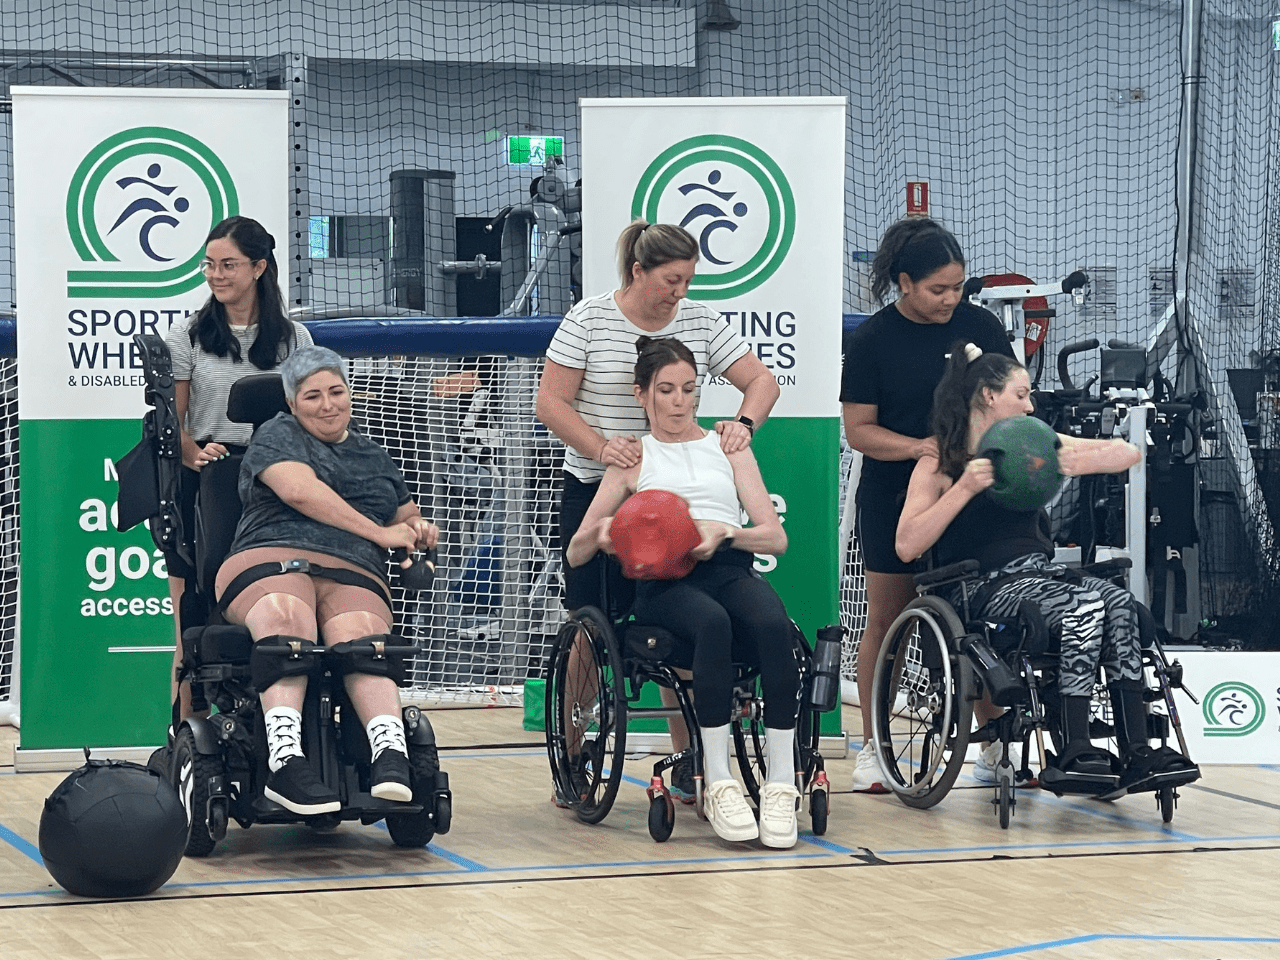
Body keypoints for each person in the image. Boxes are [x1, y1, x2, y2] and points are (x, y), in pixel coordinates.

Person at [537, 219, 779, 801]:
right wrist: (604, 449)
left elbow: (762, 383)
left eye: (689, 280)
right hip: (604, 483)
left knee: (679, 628)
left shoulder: (699, 321)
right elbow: (550, 401)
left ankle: (692, 759)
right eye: (671, 279)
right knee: (591, 630)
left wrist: (741, 429)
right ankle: (573, 760)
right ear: (638, 272)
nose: (680, 291)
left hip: (671, 497)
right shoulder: (591, 319)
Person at [894, 343, 1199, 791]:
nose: (1031, 404)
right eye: (1021, 394)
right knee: (1085, 606)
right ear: (988, 396)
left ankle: (1136, 751)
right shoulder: (940, 459)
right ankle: (1073, 745)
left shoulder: (1034, 443)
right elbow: (906, 545)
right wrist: (963, 488)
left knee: (1118, 603)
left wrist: (1070, 459)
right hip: (978, 585)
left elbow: (1128, 454)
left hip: (1038, 573)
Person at [567, 337, 801, 848]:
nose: (679, 401)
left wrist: (726, 533)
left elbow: (776, 538)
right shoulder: (633, 456)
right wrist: (606, 532)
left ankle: (782, 783)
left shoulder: (728, 446)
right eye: (667, 390)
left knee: (772, 625)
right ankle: (718, 782)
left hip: (729, 567)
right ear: (641, 394)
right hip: (664, 584)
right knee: (712, 625)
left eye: (689, 390)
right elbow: (576, 552)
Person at [213, 345, 440, 815]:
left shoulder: (375, 455)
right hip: (269, 555)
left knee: (362, 638)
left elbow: (406, 516)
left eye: (336, 391)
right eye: (313, 395)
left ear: (350, 394)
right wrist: (379, 532)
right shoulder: (277, 436)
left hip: (352, 568)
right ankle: (284, 762)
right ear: (292, 403)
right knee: (287, 618)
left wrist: (418, 533)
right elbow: (301, 492)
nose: (328, 404)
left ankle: (390, 753)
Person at [839, 217, 1014, 792]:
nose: (950, 300)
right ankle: (872, 745)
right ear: (904, 282)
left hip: (970, 494)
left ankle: (995, 743)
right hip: (895, 494)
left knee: (980, 614)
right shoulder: (871, 341)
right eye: (937, 289)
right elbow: (860, 430)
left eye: (957, 288)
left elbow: (1011, 400)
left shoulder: (981, 326)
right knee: (888, 619)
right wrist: (918, 448)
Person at [163, 216, 313, 723]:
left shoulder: (295, 339)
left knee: (281, 601)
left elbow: (312, 416)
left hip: (279, 481)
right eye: (209, 265)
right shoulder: (187, 335)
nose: (216, 274)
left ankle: (282, 724)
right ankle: (188, 733)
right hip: (210, 477)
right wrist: (192, 453)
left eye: (228, 264)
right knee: (193, 617)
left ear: (259, 267)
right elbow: (174, 422)